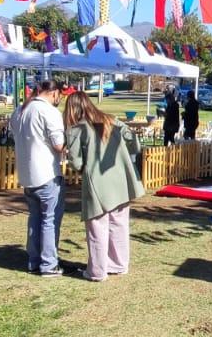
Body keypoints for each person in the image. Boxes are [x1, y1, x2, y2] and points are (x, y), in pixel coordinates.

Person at [63, 91, 145, 281]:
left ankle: (97, 271)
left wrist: (83, 167)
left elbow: (75, 162)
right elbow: (134, 142)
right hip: (121, 180)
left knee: (97, 227)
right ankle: (118, 264)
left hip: (97, 182)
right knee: (119, 224)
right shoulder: (112, 120)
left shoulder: (76, 129)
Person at [9, 79, 66, 277]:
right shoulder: (49, 112)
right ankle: (49, 264)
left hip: (27, 174)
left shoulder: (19, 110)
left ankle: (34, 260)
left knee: (35, 218)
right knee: (49, 220)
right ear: (54, 93)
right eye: (61, 95)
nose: (61, 99)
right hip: (47, 173)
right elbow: (59, 144)